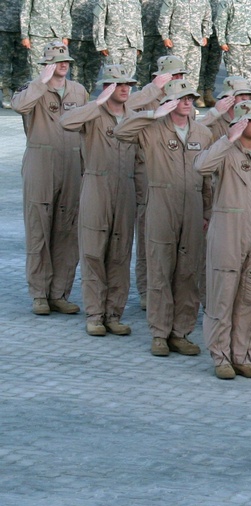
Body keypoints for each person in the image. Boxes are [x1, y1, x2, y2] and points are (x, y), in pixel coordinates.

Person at [115, 78, 213, 357]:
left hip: (193, 205)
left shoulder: (202, 133)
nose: (187, 102)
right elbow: (121, 132)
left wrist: (207, 210)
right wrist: (150, 114)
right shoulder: (151, 130)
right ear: (168, 101)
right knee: (160, 270)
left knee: (188, 272)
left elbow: (207, 177)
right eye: (180, 98)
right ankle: (159, 333)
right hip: (160, 202)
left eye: (190, 98)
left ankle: (180, 332)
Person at [194, 100, 251, 380]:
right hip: (227, 232)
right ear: (238, 122)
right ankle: (220, 357)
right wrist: (227, 138)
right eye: (250, 120)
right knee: (222, 296)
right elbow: (201, 167)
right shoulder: (224, 151)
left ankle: (243, 355)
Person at [59, 65, 137, 337]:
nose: (125, 88)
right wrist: (98, 103)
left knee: (120, 254)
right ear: (106, 87)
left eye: (128, 84)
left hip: (125, 188)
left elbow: (141, 162)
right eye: (118, 84)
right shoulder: (93, 115)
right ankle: (94, 314)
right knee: (93, 253)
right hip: (96, 185)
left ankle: (114, 314)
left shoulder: (134, 118)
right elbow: (65, 122)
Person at [13, 42, 87, 317]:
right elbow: (19, 106)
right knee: (38, 230)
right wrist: (40, 82)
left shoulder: (78, 90)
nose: (63, 64)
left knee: (67, 231)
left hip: (71, 162)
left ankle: (59, 293)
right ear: (46, 65)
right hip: (41, 163)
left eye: (66, 59)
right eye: (56, 61)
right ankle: (39, 293)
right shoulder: (31, 89)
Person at [158, 0, 213, 84]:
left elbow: (207, 19)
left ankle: (190, 94)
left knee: (193, 71)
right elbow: (164, 17)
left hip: (196, 41)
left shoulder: (204, 1)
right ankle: (174, 94)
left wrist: (206, 35)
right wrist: (165, 36)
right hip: (177, 40)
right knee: (175, 70)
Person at [20, 0, 72, 78]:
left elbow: (66, 16)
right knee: (36, 65)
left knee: (56, 65)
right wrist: (25, 36)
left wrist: (66, 36)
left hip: (56, 36)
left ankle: (53, 89)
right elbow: (25, 13)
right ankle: (39, 88)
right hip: (37, 35)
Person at [217, 0, 251, 82]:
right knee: (234, 72)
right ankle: (235, 93)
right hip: (234, 42)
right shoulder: (227, 2)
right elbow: (220, 22)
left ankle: (247, 93)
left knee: (249, 71)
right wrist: (222, 41)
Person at [93, 0, 143, 76]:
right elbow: (98, 23)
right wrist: (101, 45)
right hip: (112, 46)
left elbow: (138, 24)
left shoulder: (135, 2)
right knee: (112, 77)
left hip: (131, 46)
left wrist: (139, 45)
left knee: (128, 78)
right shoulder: (105, 1)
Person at [67, 0, 100, 94]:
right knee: (76, 71)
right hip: (76, 37)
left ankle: (87, 98)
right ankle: (77, 99)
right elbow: (66, 12)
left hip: (95, 39)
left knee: (92, 72)